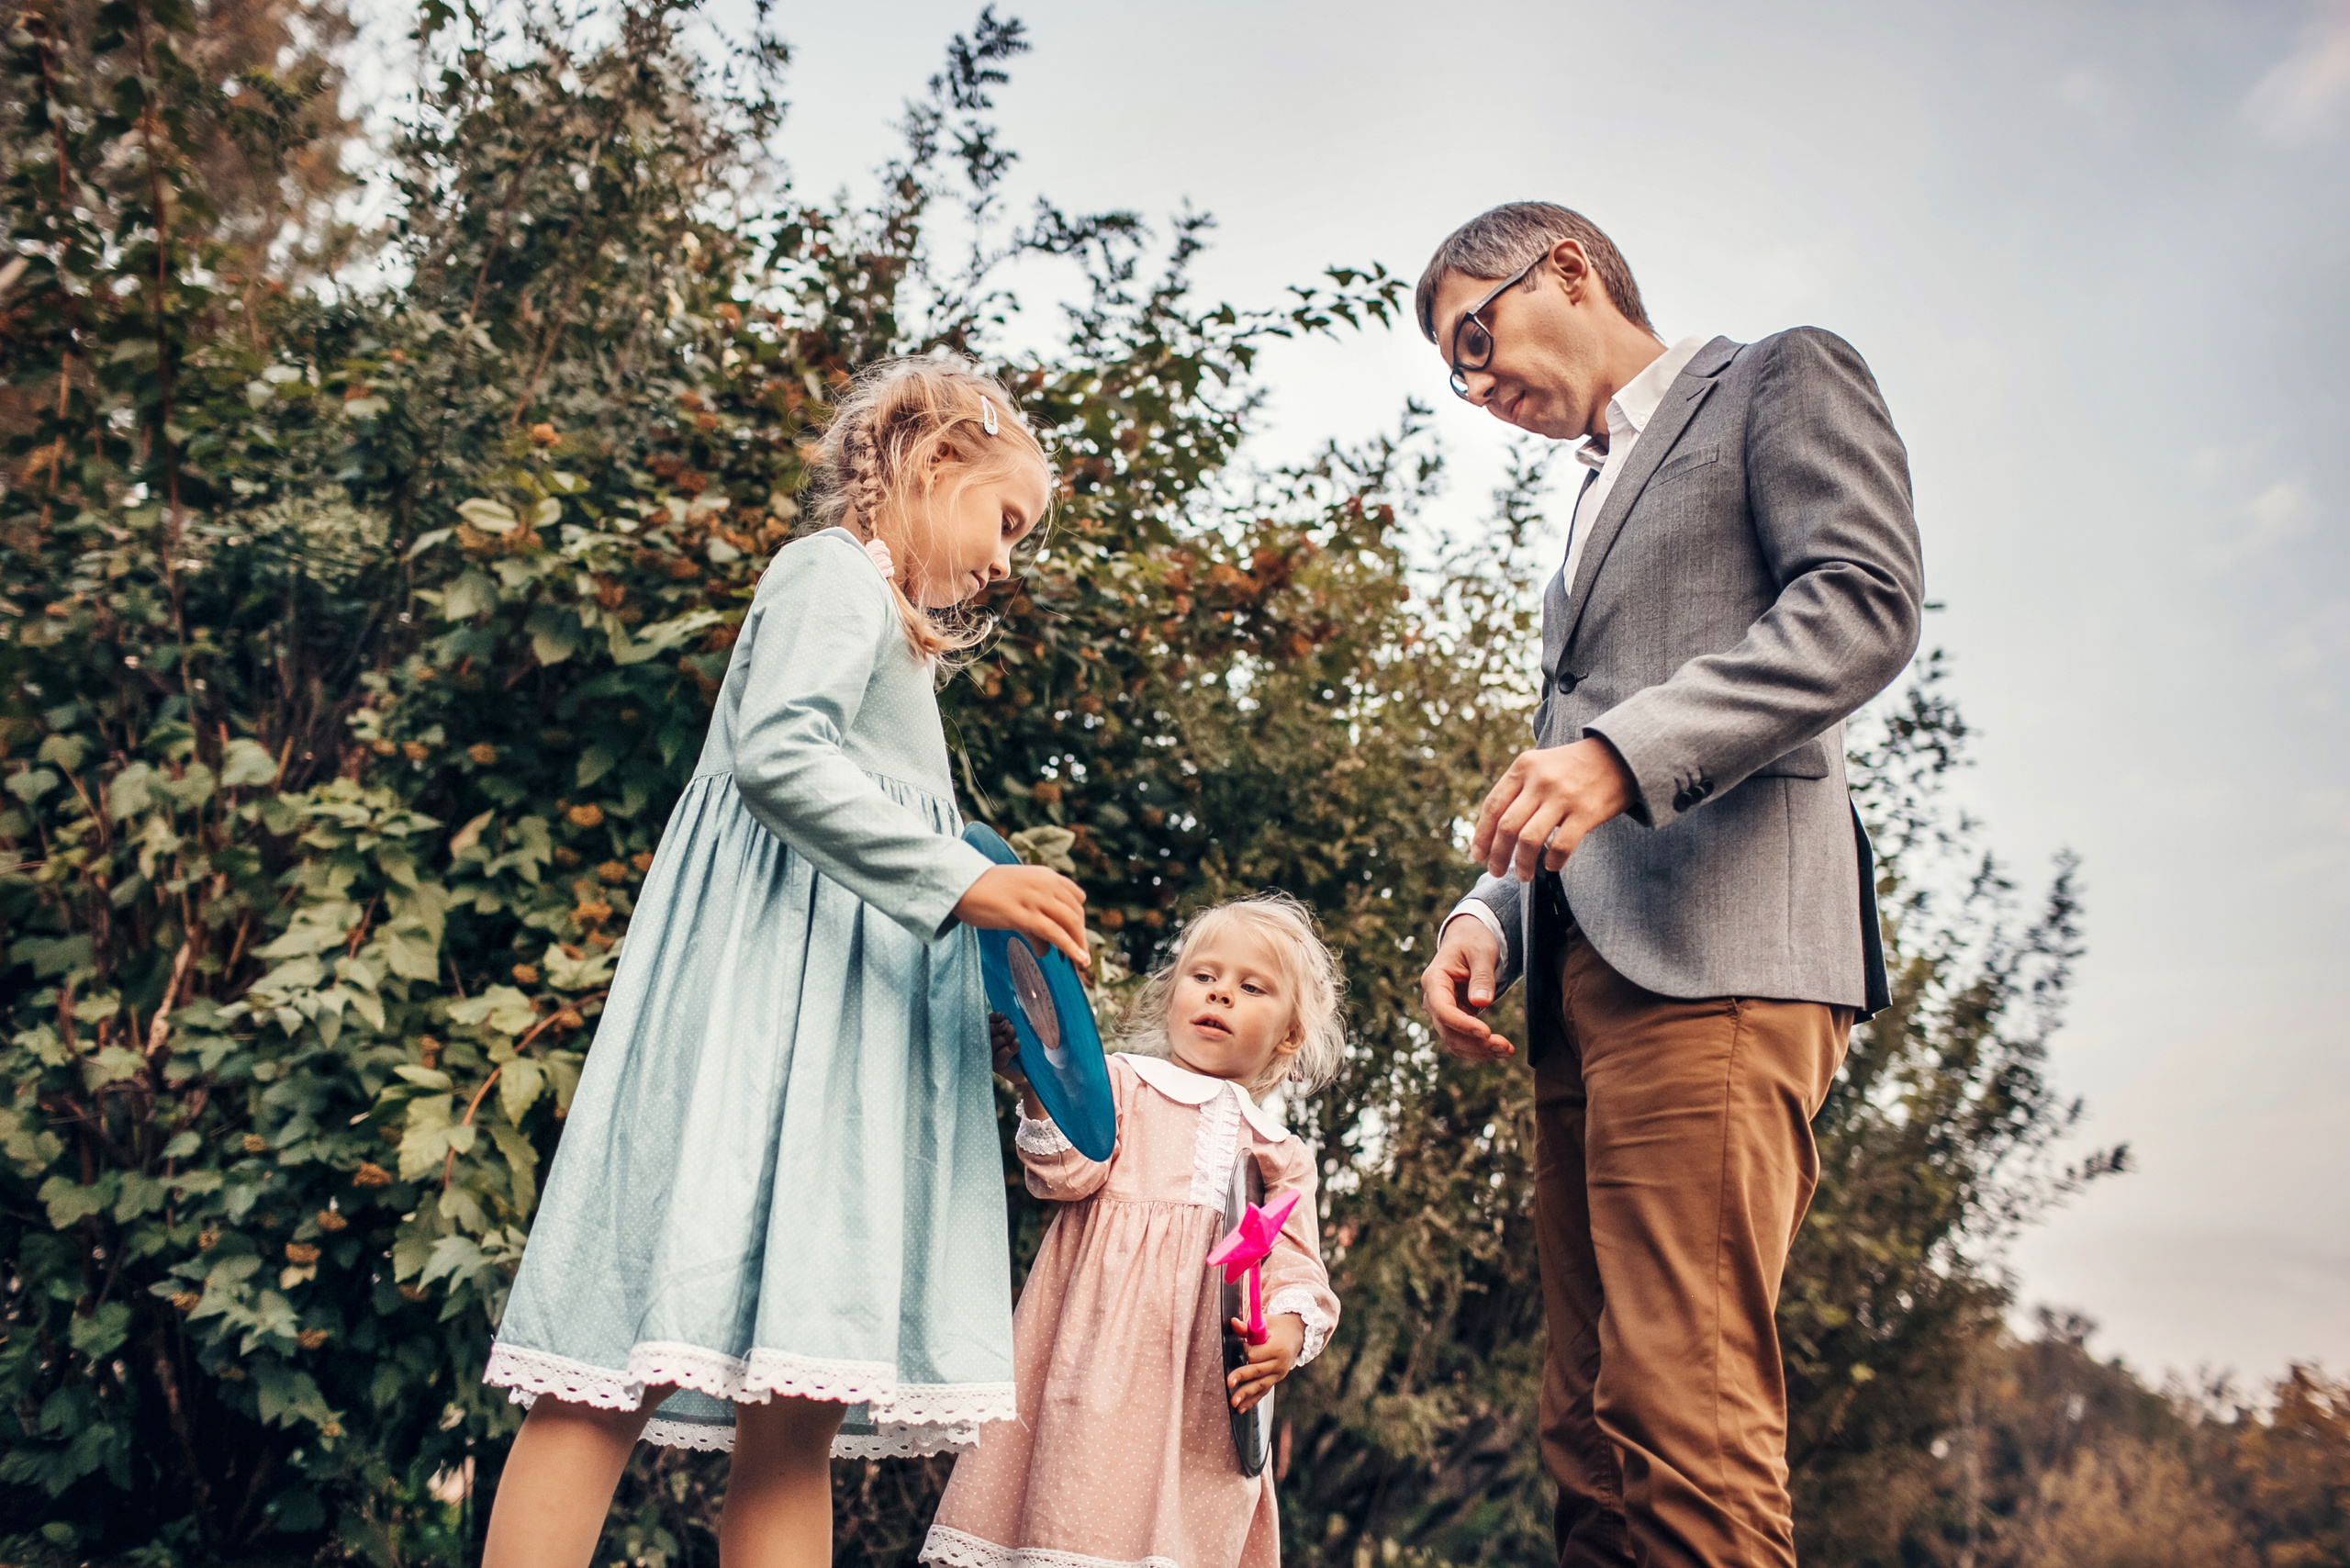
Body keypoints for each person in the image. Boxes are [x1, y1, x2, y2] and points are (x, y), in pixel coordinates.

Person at [476, 357, 1091, 1568]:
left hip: (839, 1061)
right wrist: (964, 882)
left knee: (797, 1405)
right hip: (758, 1038)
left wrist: (991, 939)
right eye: (1006, 519)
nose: (1008, 561)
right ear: (934, 465)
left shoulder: (896, 637)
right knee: (611, 1362)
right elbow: (778, 757)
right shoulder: (830, 577)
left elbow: (886, 840)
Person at [1412, 204, 1924, 1568]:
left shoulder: (1778, 377)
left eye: (1477, 335)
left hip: (1721, 959)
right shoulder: (1589, 496)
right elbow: (1566, 752)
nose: (1474, 387)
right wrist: (1486, 916)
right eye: (1452, 372)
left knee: (1682, 1414)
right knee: (1586, 1432)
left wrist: (1625, 754)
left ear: (1567, 268)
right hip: (1583, 984)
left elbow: (1864, 603)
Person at [923, 893, 1348, 1568]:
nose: (1220, 995)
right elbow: (1063, 1173)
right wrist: (1037, 1081)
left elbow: (1295, 1268)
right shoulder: (1121, 1085)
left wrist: (1287, 1336)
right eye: (1203, 976)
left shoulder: (1279, 1152)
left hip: (1202, 1403)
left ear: (1289, 1037)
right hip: (1094, 1367)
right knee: (1074, 1517)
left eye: (1251, 987)